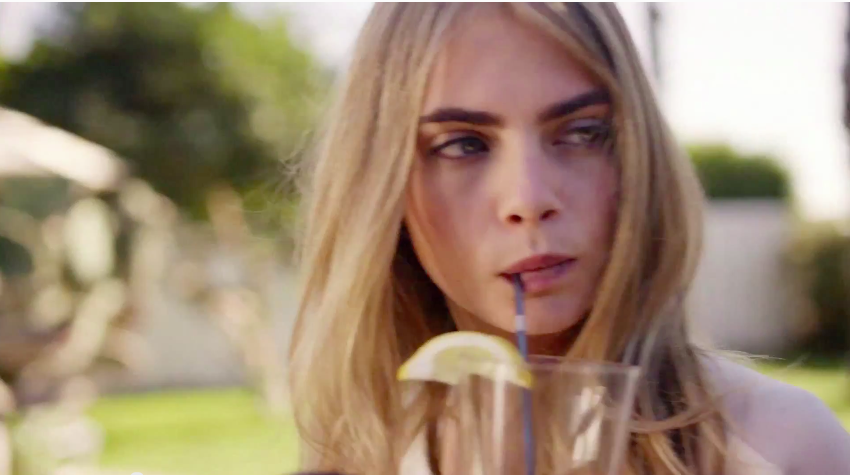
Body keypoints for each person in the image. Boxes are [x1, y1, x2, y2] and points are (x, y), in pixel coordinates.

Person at [288, 3, 850, 475]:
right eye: (463, 145)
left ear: (637, 156)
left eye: (582, 132)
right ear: (381, 183)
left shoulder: (782, 448)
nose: (529, 198)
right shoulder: (356, 455)